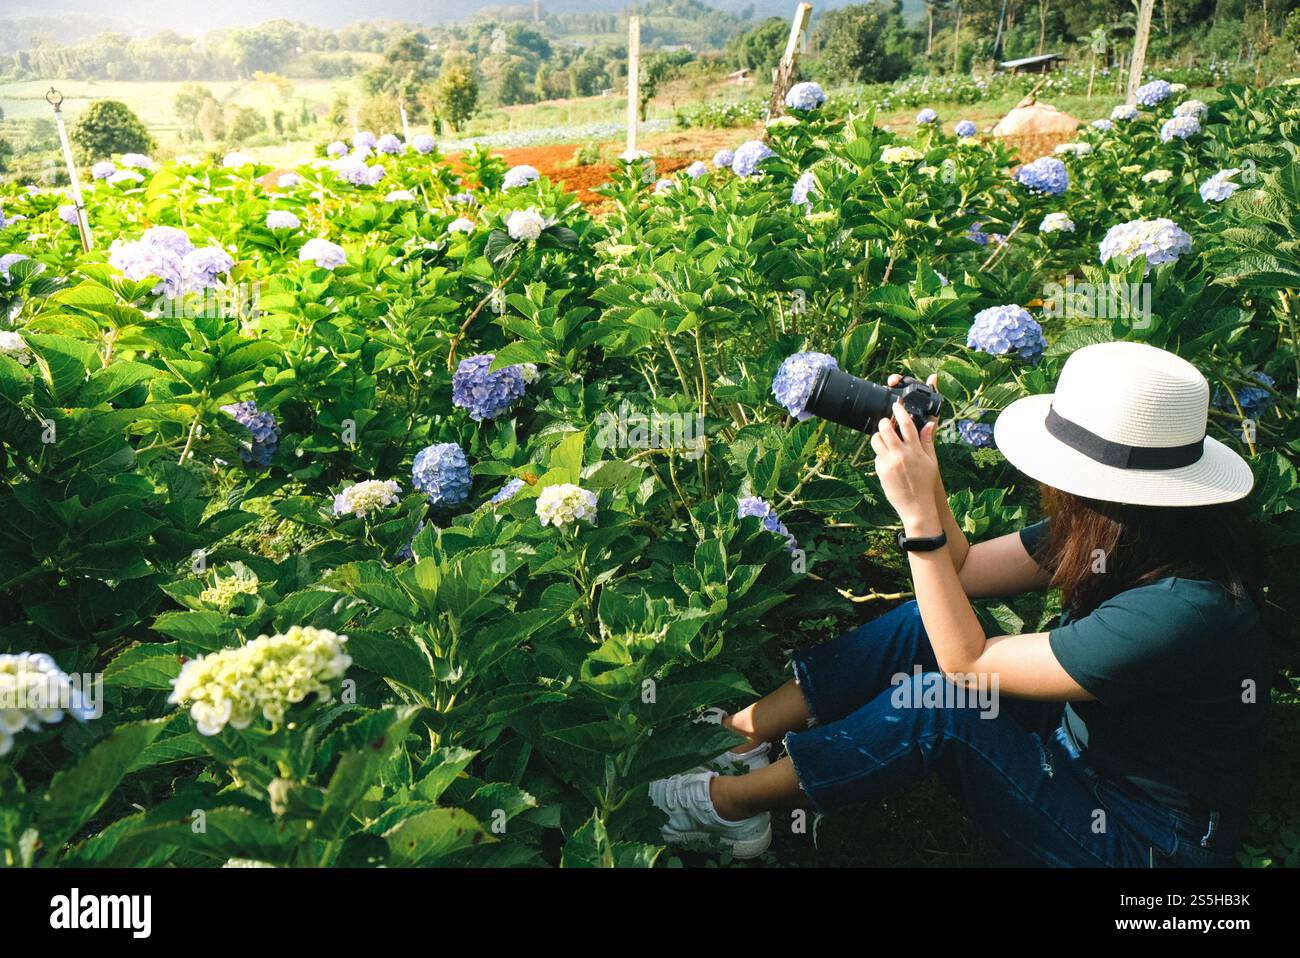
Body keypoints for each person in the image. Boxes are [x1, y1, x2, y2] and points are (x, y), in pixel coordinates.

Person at [649, 341, 1271, 866]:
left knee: (943, 707)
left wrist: (917, 516)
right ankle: (742, 738)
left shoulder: (1186, 608)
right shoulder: (1130, 527)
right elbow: (965, 571)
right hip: (1079, 742)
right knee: (932, 615)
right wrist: (927, 466)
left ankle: (729, 808)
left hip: (1148, 839)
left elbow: (965, 666)